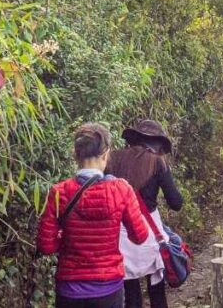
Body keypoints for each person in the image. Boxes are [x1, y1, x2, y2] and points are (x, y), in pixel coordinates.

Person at [38, 123, 150, 308]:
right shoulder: (121, 190)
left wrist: (65, 239)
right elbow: (140, 236)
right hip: (108, 289)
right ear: (106, 154)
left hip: (69, 290)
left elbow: (46, 246)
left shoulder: (59, 192)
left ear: (76, 155)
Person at [106, 120, 184, 308]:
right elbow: (176, 203)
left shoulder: (113, 159)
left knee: (130, 290)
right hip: (148, 232)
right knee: (156, 289)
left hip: (120, 232)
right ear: (158, 144)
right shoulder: (157, 162)